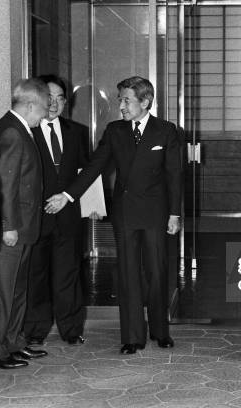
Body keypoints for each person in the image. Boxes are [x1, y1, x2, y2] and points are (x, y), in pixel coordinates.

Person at [45, 76, 181, 354]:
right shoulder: (115, 131)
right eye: (120, 100)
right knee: (128, 273)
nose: (121, 106)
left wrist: (175, 214)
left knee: (157, 272)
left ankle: (159, 330)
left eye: (127, 100)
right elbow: (95, 167)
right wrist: (68, 195)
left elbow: (175, 176)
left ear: (145, 101)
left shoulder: (166, 131)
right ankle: (132, 336)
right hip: (126, 212)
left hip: (156, 213)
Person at [0, 79, 50, 369]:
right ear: (30, 105)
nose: (45, 115)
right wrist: (8, 225)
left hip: (23, 227)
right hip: (12, 229)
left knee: (17, 290)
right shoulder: (11, 131)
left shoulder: (20, 129)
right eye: (43, 109)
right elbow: (5, 185)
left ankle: (13, 343)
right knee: (2, 292)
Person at [23, 75, 90, 346]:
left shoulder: (77, 131)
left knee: (68, 274)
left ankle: (71, 330)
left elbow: (86, 173)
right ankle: (35, 331)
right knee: (36, 275)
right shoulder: (27, 130)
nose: (54, 103)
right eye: (49, 97)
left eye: (60, 98)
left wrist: (91, 206)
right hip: (37, 217)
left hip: (68, 216)